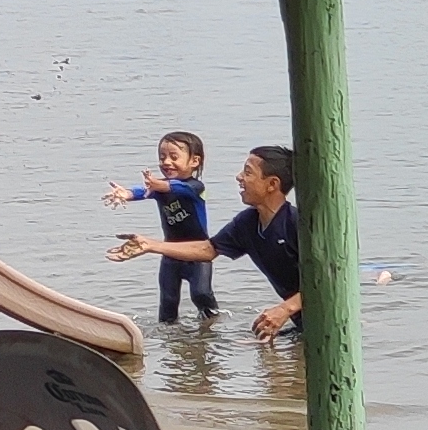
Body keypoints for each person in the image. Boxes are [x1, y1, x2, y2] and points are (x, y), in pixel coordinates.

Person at [113, 144, 305, 341]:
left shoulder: (297, 225)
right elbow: (208, 249)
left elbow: (331, 279)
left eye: (248, 172)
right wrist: (151, 245)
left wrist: (284, 309)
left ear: (272, 184)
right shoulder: (247, 222)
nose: (239, 177)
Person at [102, 131, 219, 322]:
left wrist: (158, 185)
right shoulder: (157, 188)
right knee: (168, 300)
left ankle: (209, 330)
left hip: (198, 254)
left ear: (194, 161)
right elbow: (142, 192)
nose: (166, 162)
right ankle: (168, 338)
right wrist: (127, 193)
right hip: (170, 254)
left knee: (201, 294)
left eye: (174, 157)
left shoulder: (196, 188)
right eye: (162, 157)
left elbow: (177, 188)